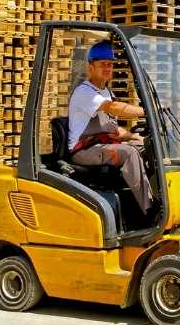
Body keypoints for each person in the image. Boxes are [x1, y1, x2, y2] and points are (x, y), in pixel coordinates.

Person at [67, 40, 156, 218]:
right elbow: (114, 108)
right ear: (90, 67)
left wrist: (135, 137)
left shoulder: (105, 92)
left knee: (147, 149)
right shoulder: (84, 92)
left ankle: (149, 200)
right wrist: (150, 111)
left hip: (101, 146)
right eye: (102, 65)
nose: (107, 68)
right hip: (83, 150)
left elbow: (114, 130)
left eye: (110, 64)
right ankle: (150, 211)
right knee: (129, 153)